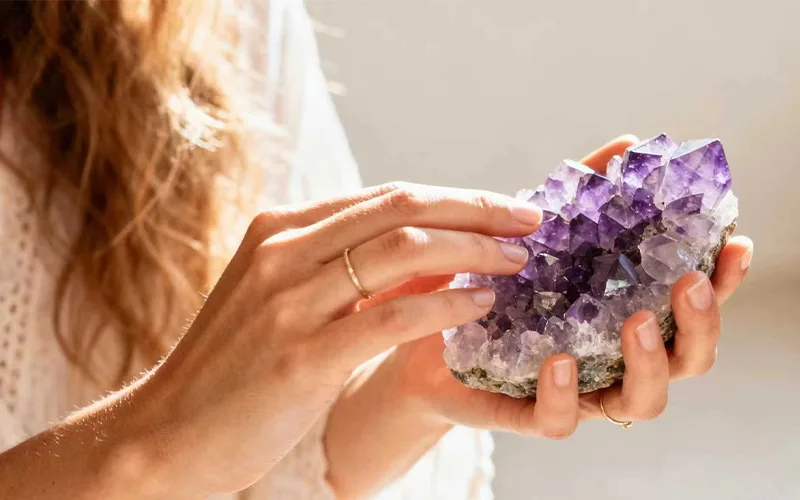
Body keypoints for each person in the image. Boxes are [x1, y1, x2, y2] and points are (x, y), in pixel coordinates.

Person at [0, 1, 753, 499]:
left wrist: (406, 393)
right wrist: (140, 455)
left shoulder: (211, 18)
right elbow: (175, 460)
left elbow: (265, 475)